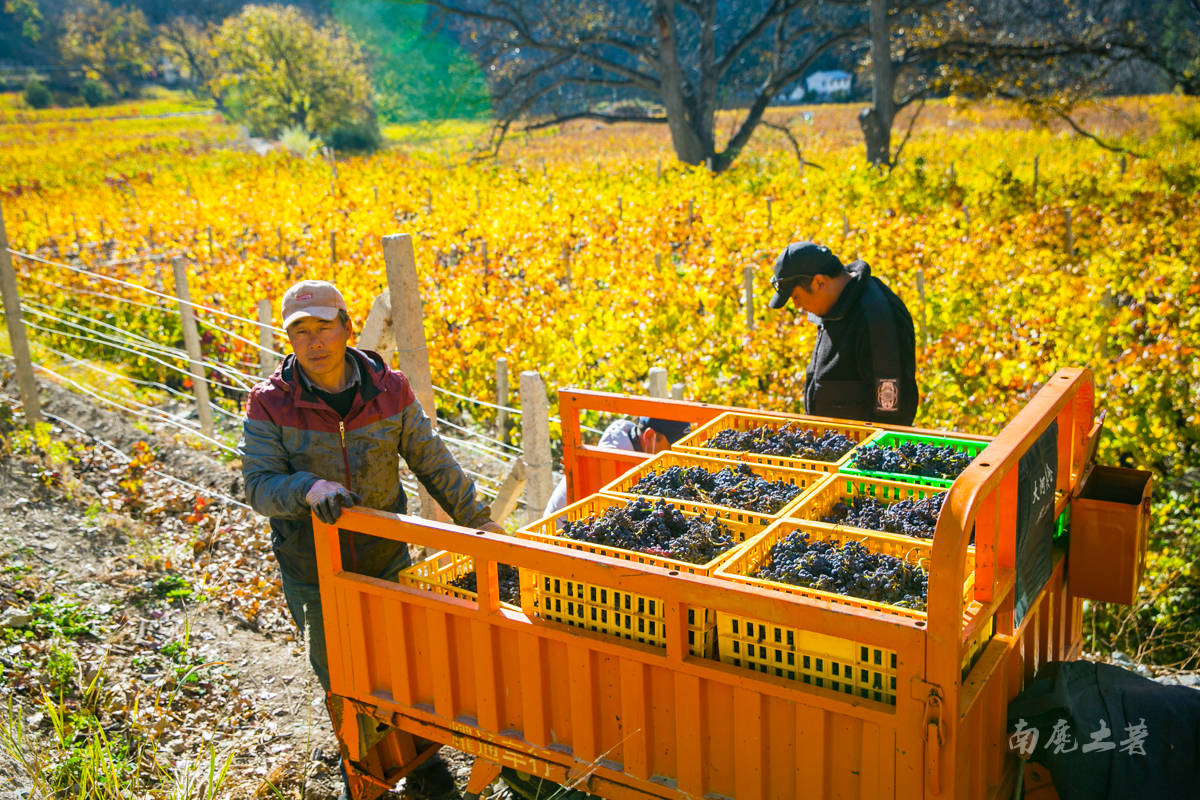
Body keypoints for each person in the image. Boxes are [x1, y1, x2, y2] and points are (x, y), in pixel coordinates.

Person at [240, 279, 503, 799]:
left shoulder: (391, 391)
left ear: (344, 325)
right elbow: (259, 486)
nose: (313, 342)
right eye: (300, 332)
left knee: (405, 666)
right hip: (313, 570)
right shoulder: (270, 404)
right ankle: (363, 778)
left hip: (386, 559)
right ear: (288, 339)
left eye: (322, 328)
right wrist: (307, 487)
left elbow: (433, 462)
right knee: (344, 680)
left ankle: (423, 766)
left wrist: (480, 522)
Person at [767, 241, 918, 425]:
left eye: (796, 297)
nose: (797, 306)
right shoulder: (832, 306)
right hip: (831, 444)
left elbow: (890, 411)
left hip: (862, 450)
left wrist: (865, 452)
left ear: (819, 282)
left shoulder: (877, 317)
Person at [543, 416, 691, 517]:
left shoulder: (631, 449)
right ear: (649, 436)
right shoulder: (613, 465)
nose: (676, 455)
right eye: (673, 446)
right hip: (559, 544)